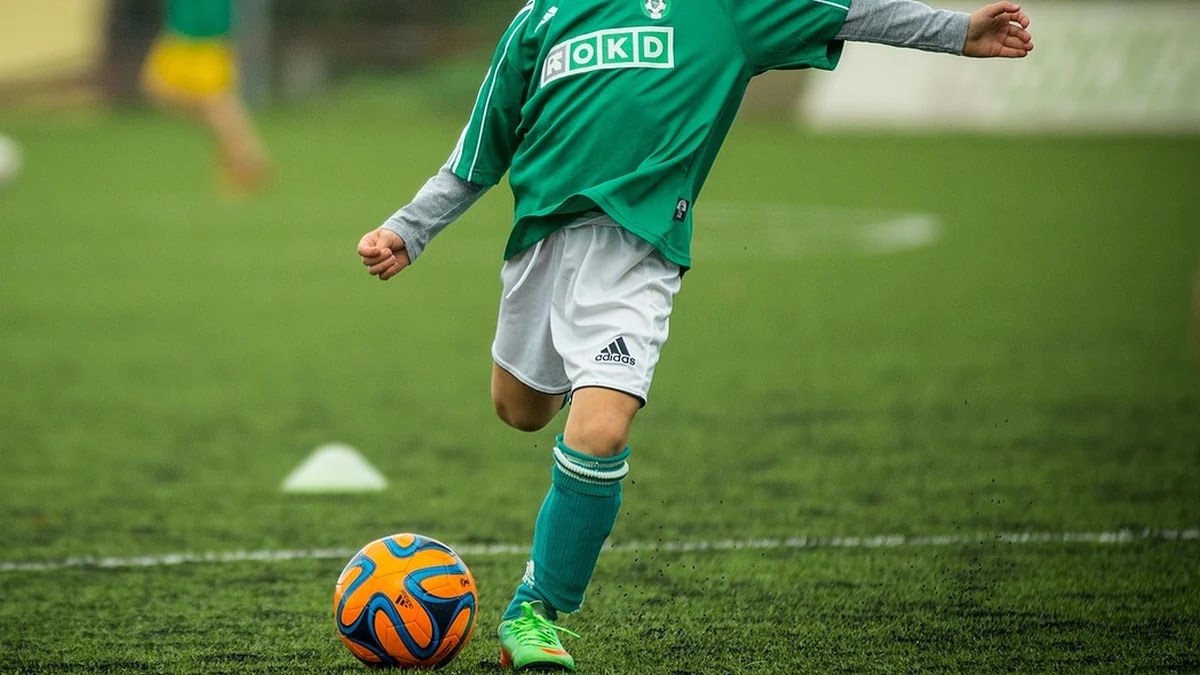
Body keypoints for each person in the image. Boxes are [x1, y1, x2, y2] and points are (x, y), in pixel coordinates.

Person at [357, 0, 1033, 670]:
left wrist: (956, 31)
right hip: (539, 248)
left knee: (600, 433)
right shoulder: (542, 17)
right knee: (520, 409)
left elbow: (844, 10)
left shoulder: (724, 10)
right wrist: (408, 230)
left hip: (636, 256)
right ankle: (583, 387)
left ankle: (534, 610)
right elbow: (479, 151)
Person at [140, 0, 271, 194]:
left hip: (200, 31)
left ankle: (244, 156)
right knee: (200, 100)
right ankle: (242, 150)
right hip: (190, 29)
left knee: (214, 101)